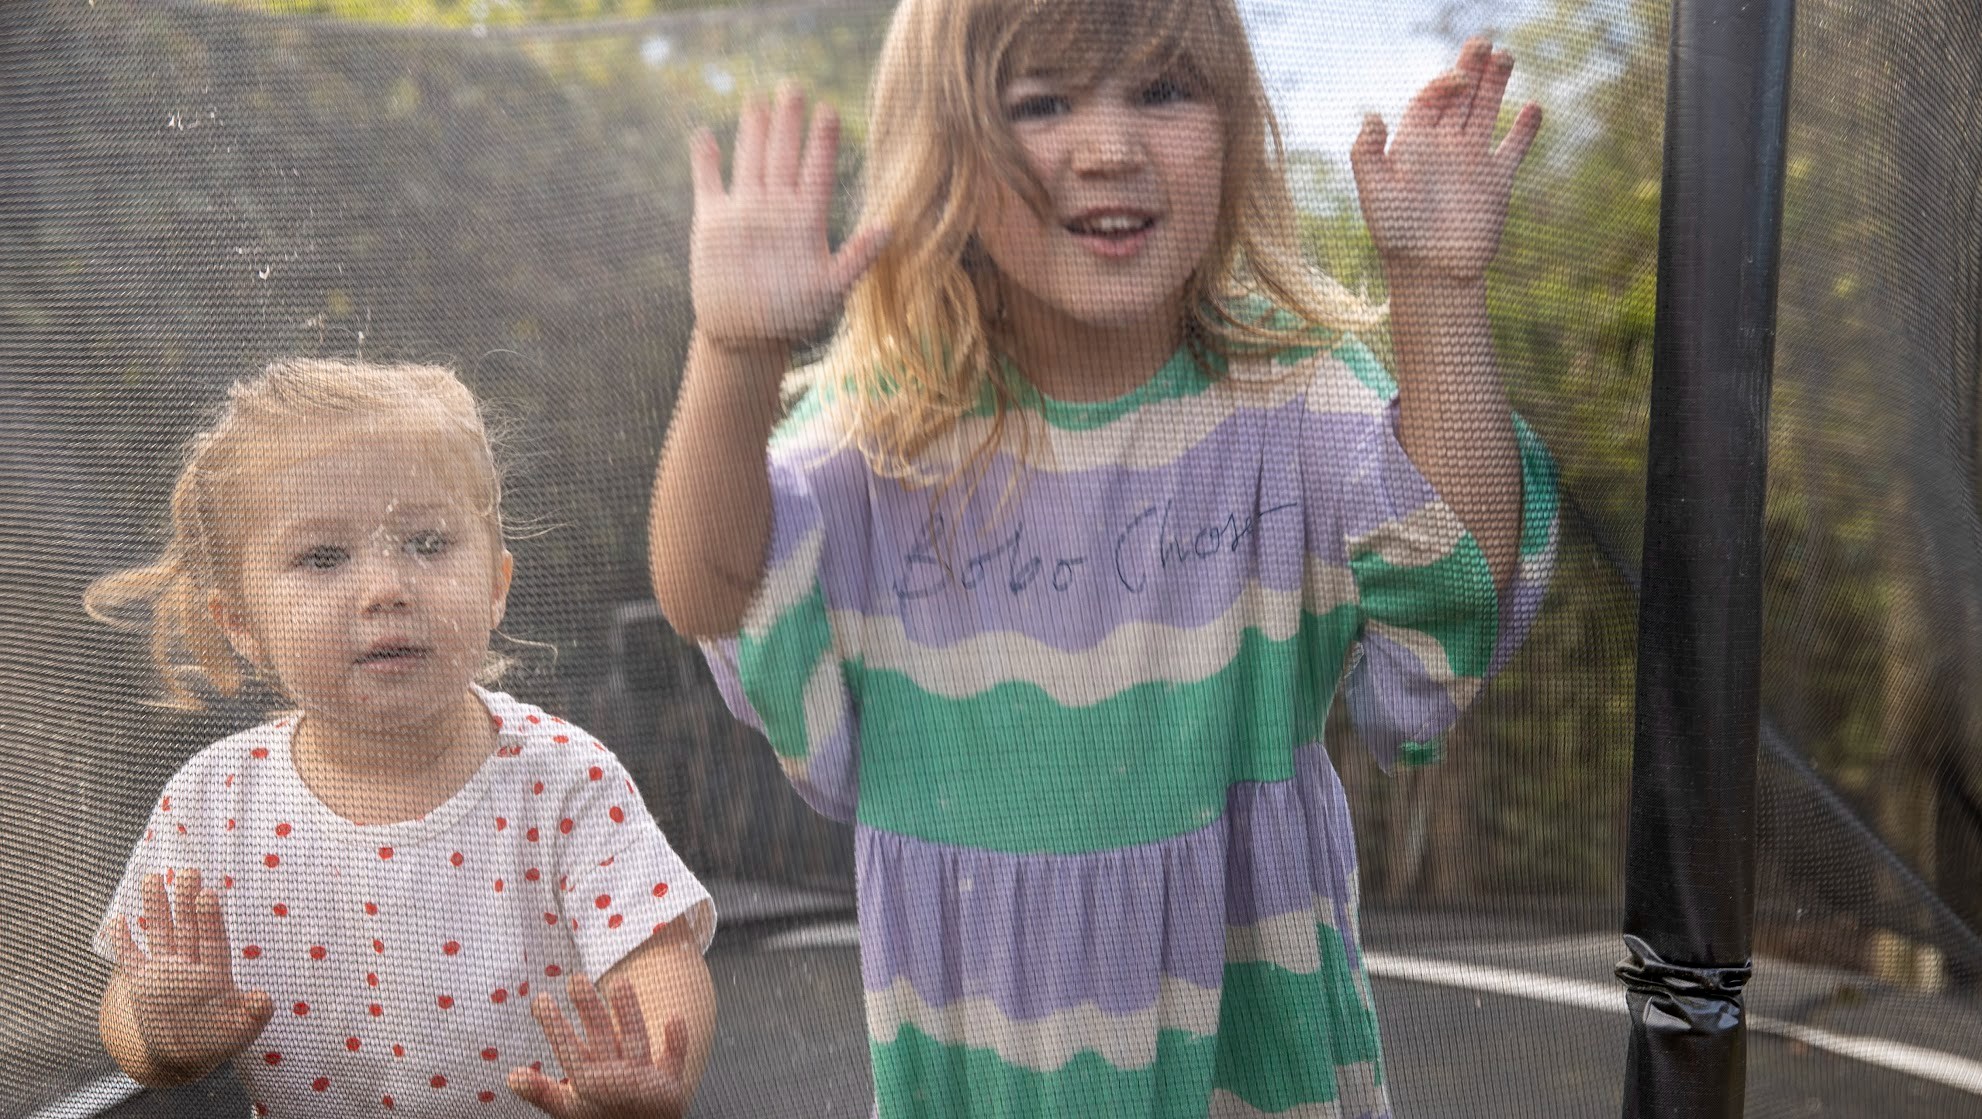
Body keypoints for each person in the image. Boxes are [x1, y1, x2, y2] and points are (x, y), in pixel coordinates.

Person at [650, 0, 1558, 1114]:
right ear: (945, 161)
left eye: (1163, 91)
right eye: (1041, 103)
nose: (1110, 147)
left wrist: (1437, 287)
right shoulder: (884, 440)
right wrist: (733, 353)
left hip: (1240, 1057)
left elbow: (1456, 571)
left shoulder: (1287, 407)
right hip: (979, 1053)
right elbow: (707, 590)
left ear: (1233, 137)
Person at [90, 358, 716, 1118]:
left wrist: (642, 1071)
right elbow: (128, 994)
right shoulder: (215, 802)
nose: (388, 586)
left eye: (426, 542)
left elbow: (658, 956)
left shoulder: (562, 780)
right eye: (323, 556)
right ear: (242, 625)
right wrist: (160, 1031)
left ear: (495, 585)